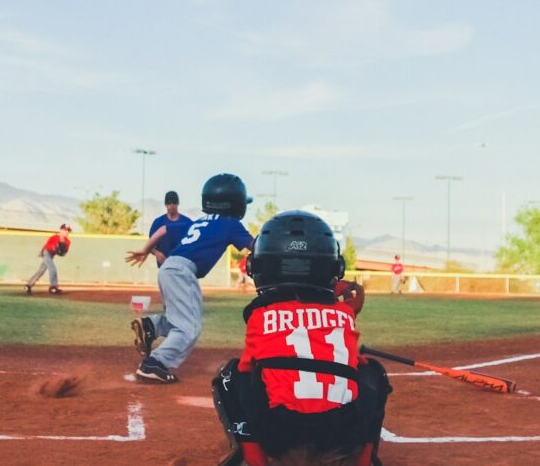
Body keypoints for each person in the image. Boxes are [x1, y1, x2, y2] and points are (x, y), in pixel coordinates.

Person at [212, 211, 391, 466]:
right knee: (373, 372)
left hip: (279, 435)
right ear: (334, 269)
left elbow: (247, 368)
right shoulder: (344, 314)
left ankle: (253, 460)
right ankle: (364, 461)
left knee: (231, 375)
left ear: (259, 268)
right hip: (341, 436)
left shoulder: (259, 315)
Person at [126, 173, 255, 384]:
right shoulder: (230, 223)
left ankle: (152, 326)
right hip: (182, 271)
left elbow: (163, 229)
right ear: (234, 204)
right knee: (189, 328)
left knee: (179, 317)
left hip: (168, 267)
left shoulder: (201, 221)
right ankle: (154, 364)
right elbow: (254, 246)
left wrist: (145, 250)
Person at [147, 191, 193, 266]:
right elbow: (150, 245)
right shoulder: (158, 222)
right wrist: (157, 253)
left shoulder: (187, 222)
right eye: (169, 203)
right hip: (164, 266)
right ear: (165, 204)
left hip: (182, 266)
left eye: (174, 203)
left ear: (178, 204)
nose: (172, 205)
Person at [26, 224, 72, 295]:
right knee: (52, 268)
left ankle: (28, 285)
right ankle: (53, 287)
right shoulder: (54, 237)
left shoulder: (67, 242)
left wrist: (60, 252)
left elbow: (63, 254)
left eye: (68, 230)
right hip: (46, 253)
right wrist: (41, 252)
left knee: (41, 270)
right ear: (61, 230)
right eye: (65, 230)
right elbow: (46, 245)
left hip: (51, 255)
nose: (67, 232)